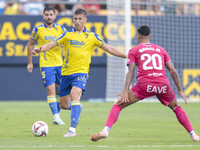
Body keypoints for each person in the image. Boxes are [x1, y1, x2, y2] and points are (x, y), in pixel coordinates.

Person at [91, 25, 200, 142]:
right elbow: (173, 71)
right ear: (150, 36)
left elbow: (131, 71)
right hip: (163, 84)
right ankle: (193, 135)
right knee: (176, 107)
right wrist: (180, 90)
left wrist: (125, 91)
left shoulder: (134, 50)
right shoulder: (161, 50)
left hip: (145, 85)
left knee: (118, 105)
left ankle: (105, 131)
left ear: (138, 36)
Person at [32, 8, 127, 137]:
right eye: (75, 19)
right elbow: (52, 44)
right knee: (64, 105)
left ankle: (72, 130)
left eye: (80, 19)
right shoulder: (67, 35)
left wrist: (126, 56)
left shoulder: (92, 36)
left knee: (75, 95)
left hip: (81, 73)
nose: (77, 22)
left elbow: (109, 48)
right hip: (65, 73)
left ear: (85, 20)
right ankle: (77, 109)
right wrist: (40, 49)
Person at [27, 7, 66, 125]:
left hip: (60, 64)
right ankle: (55, 116)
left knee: (60, 92)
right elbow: (29, 45)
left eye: (51, 14)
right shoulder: (37, 30)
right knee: (50, 89)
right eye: (47, 15)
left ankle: (59, 114)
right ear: (43, 16)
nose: (49, 17)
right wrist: (30, 62)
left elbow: (66, 42)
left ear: (55, 16)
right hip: (46, 64)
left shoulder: (61, 28)